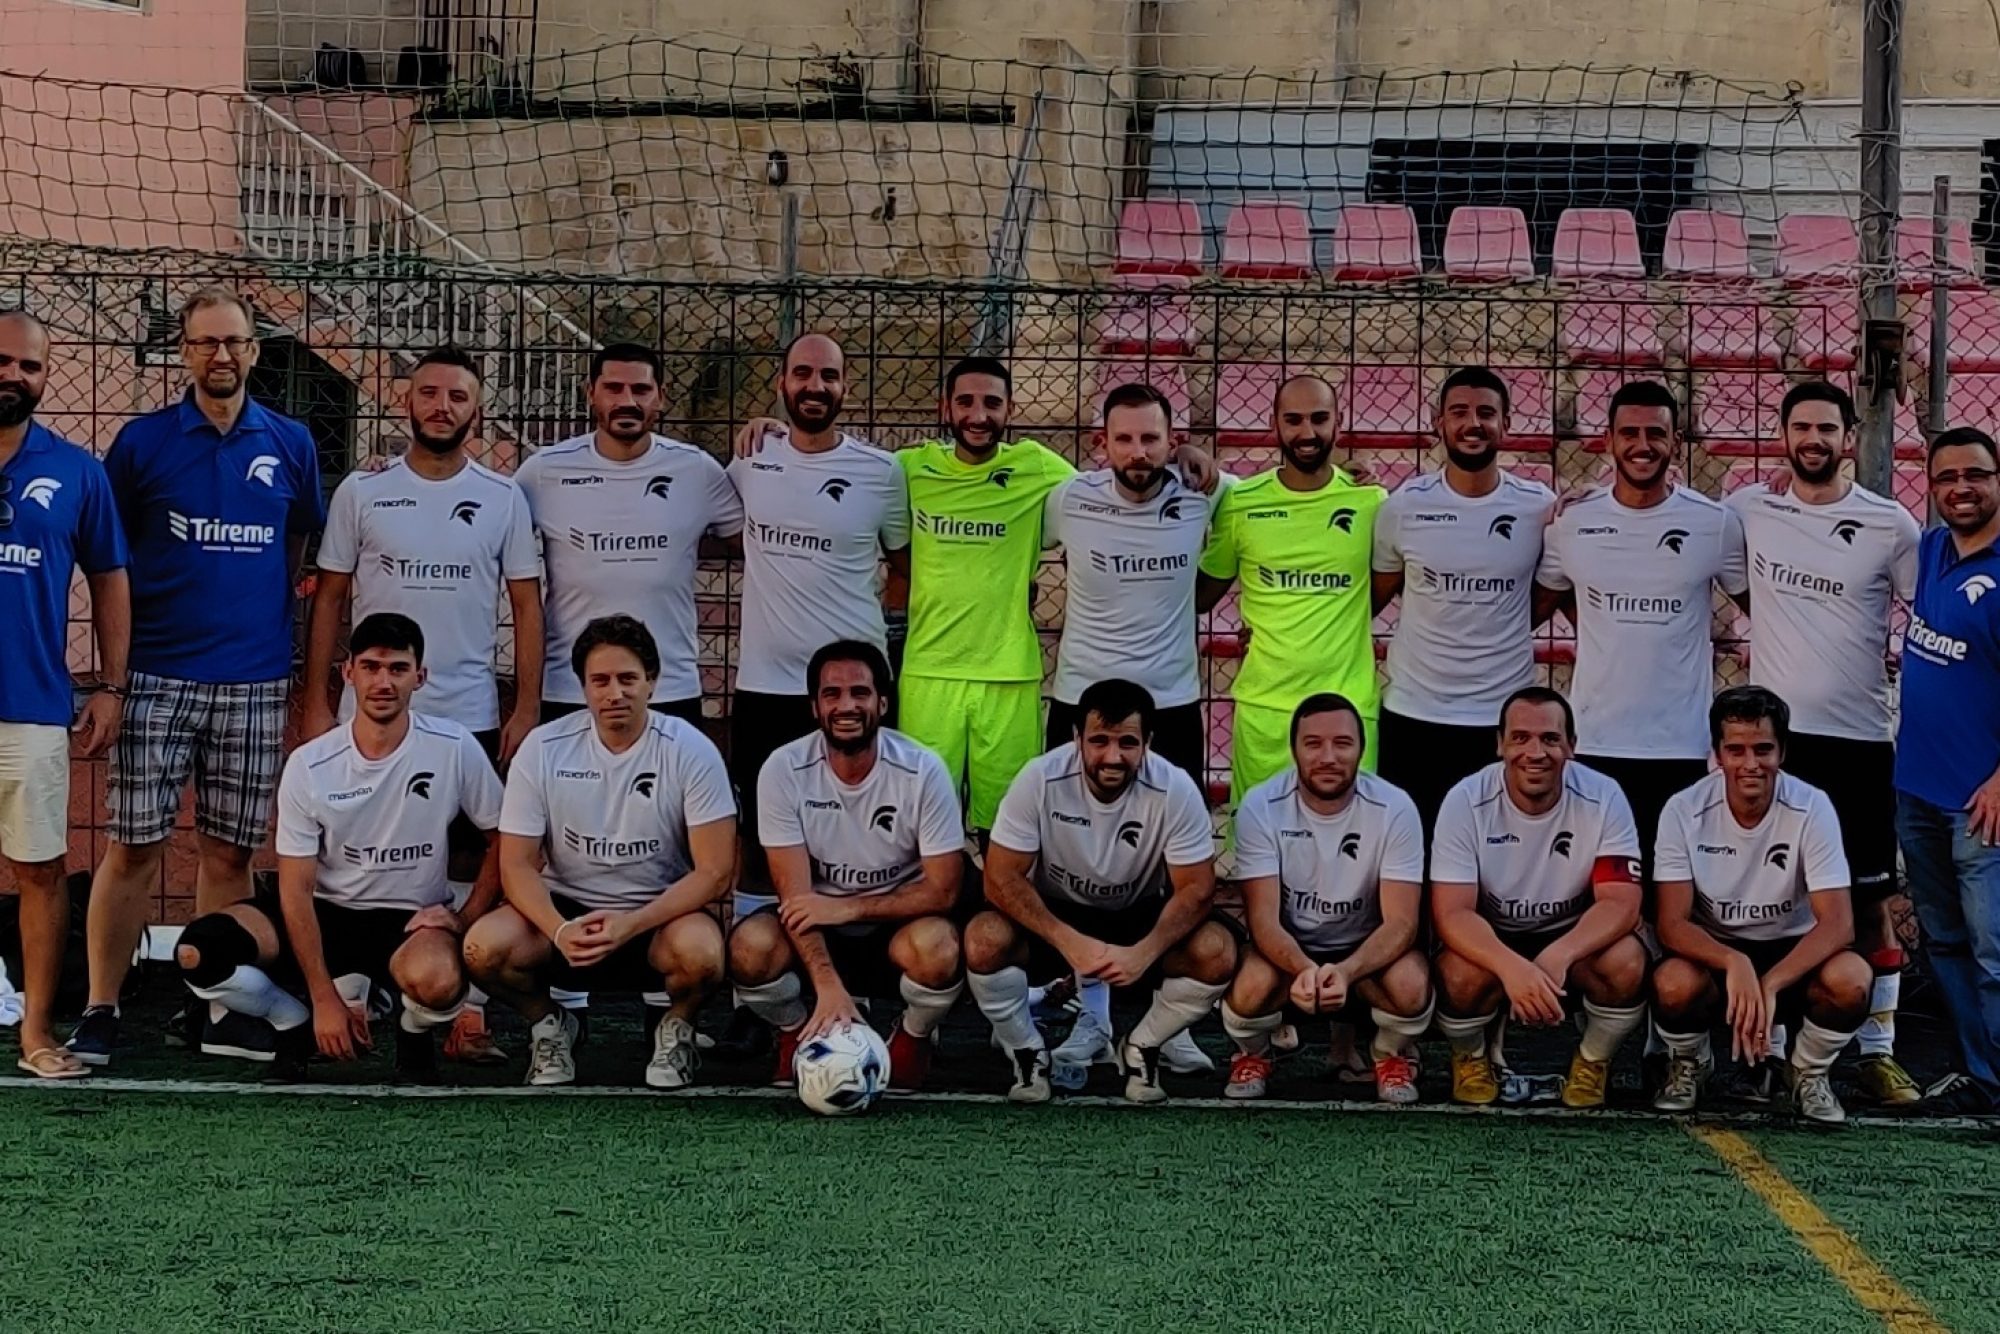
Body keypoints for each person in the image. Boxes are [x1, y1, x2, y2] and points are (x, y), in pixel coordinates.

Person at [738, 357, 1215, 835]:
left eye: (992, 403)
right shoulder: (907, 468)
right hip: (930, 674)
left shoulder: (1040, 469)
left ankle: (998, 909)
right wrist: (779, 432)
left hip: (1008, 677)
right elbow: (835, 466)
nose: (978, 415)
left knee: (1007, 828)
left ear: (1010, 409)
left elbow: (1118, 472)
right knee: (919, 821)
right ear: (946, 407)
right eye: (965, 402)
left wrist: (1182, 453)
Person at [70, 287, 326, 1066]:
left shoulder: (291, 443)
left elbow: (295, 547)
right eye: (205, 343)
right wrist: (112, 677)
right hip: (155, 676)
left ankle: (217, 1005)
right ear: (184, 352)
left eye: (235, 343)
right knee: (135, 847)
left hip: (253, 683)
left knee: (229, 855)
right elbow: (108, 558)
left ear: (255, 352)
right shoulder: (143, 444)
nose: (221, 356)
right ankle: (102, 1007)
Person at [302, 345, 543, 1065]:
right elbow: (332, 599)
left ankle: (466, 1007)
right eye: (429, 394)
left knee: (476, 849)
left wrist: (526, 704)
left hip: (466, 704)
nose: (442, 407)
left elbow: (527, 608)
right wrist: (319, 701)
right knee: (346, 845)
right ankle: (353, 985)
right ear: (406, 403)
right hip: (367, 709)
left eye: (458, 396)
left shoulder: (503, 497)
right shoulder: (362, 493)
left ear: (477, 409)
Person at [172, 613, 504, 1079]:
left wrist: (464, 920)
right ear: (348, 674)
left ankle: (413, 1026)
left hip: (409, 922)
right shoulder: (311, 764)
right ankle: (291, 1018)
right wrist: (323, 997)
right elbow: (295, 890)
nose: (383, 682)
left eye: (397, 669)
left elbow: (506, 839)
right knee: (198, 953)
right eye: (370, 667)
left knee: (441, 981)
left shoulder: (454, 747)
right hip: (327, 914)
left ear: (420, 677)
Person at [1724, 380, 1922, 1106]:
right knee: (1775, 894)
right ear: (1784, 434)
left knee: (1869, 901)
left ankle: (1876, 1051)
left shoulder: (1889, 523)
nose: (1812, 439)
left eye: (1826, 429)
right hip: (1780, 743)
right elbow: (1734, 583)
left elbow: (1922, 608)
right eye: (1800, 426)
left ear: (1848, 438)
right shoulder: (1749, 508)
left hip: (1860, 737)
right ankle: (1766, 1052)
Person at [464, 615, 737, 1088]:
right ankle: (551, 1025)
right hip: (566, 913)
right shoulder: (544, 747)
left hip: (656, 914)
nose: (615, 693)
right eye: (601, 681)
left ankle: (678, 1028)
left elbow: (715, 871)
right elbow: (515, 864)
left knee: (703, 953)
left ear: (651, 682)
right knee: (484, 947)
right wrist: (559, 928)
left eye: (628, 679)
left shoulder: (691, 749)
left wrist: (631, 923)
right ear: (583, 688)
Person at [966, 679, 1235, 1104]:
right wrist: (1067, 940)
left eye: (1128, 742)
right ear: (1076, 739)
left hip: (1139, 914)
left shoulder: (1175, 787)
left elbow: (1197, 889)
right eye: (1099, 741)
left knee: (1217, 950)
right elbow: (999, 879)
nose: (1113, 756)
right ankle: (1027, 1051)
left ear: (1148, 742)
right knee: (983, 939)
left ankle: (1142, 1045)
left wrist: (1144, 952)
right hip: (1055, 913)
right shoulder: (1039, 779)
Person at [727, 640, 965, 1091]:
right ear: (815, 707)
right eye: (832, 695)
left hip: (898, 924)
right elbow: (795, 897)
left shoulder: (923, 769)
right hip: (816, 929)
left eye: (860, 693)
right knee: (750, 948)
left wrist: (849, 907)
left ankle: (911, 1039)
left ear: (883, 702)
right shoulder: (783, 768)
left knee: (941, 949)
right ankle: (799, 1033)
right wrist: (827, 987)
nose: (846, 706)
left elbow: (943, 891)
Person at [1535, 379, 1747, 883]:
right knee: (1597, 897)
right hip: (1595, 741)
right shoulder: (1573, 522)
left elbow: (1762, 606)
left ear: (1675, 442)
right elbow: (1536, 604)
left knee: (1667, 894)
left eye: (1656, 433)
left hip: (1678, 746)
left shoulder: (1713, 523)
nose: (1642, 445)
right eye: (1628, 433)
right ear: (1607, 440)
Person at [724, 334, 910, 895]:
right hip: (765, 686)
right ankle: (761, 963)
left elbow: (903, 566)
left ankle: (858, 946)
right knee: (759, 834)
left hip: (849, 689)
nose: (815, 386)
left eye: (828, 376)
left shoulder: (881, 471)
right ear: (781, 384)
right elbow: (725, 531)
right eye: (802, 374)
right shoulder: (750, 459)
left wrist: (881, 635)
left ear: (845, 387)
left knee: (863, 828)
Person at [0, 311, 129, 1080]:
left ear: (46, 378)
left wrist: (111, 684)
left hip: (32, 708)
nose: (13, 375)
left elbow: (111, 578)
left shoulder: (78, 471)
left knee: (40, 869)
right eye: (2, 360)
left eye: (29, 366)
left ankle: (37, 1031)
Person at [1650, 686, 1871, 1124]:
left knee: (1852, 979)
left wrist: (1768, 984)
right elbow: (1671, 924)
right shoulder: (1683, 809)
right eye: (1736, 750)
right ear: (1717, 754)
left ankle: (1806, 1070)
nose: (1751, 764)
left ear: (1782, 751)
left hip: (1794, 955)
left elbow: (1839, 924)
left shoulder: (1812, 806)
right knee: (1672, 983)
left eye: (1763, 749)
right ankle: (1692, 1062)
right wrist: (1734, 963)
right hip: (1718, 954)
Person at [1430, 687, 1647, 1109]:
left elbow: (1621, 903)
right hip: (1494, 935)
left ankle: (1592, 1060)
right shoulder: (1465, 800)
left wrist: (1558, 956)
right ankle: (1471, 1056)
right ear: (1500, 745)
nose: (1536, 752)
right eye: (1521, 738)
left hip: (1573, 936)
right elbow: (1452, 913)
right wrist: (1512, 968)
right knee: (1458, 974)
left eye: (1550, 739)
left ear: (1571, 747)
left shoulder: (1605, 796)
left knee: (1626, 962)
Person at [515, 343, 741, 727]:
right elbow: (487, 529)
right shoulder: (542, 472)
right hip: (572, 689)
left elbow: (759, 545)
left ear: (661, 397)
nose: (627, 401)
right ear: (591, 393)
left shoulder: (697, 471)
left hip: (669, 689)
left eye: (640, 390)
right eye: (614, 388)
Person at [1220, 693, 1431, 1104]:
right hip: (1288, 950)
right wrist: (1303, 970)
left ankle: (1388, 1054)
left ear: (1361, 749)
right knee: (1249, 987)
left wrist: (1347, 972)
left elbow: (1402, 922)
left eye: (1342, 744)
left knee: (1411, 984)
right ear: (1294, 749)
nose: (1328, 757)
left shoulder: (1395, 807)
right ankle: (1253, 1054)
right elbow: (1262, 920)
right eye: (1313, 744)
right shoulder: (1261, 805)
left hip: (1367, 952)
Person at [1372, 366, 1555, 835]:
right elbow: (1372, 598)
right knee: (1415, 855)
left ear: (1506, 425)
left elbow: (1546, 595)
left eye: (1486, 413)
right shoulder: (1403, 506)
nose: (1473, 424)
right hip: (1415, 712)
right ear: (1438, 422)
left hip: (1500, 714)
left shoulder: (1539, 507)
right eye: (1459, 412)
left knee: (1494, 854)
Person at [1198, 374, 1387, 805]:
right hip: (1266, 710)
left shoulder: (1371, 502)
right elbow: (1201, 596)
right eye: (1294, 420)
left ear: (1338, 423)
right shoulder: (1242, 501)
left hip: (1348, 709)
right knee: (1260, 854)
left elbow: (1382, 590)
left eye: (1320, 418)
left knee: (1348, 855)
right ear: (1274, 424)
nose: (1307, 433)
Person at [1894, 425, 2000, 1114]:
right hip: (1917, 792)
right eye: (1945, 478)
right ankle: (1982, 1075)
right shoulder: (1930, 550)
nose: (1960, 488)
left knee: (1996, 954)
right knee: (1947, 942)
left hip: (1981, 800)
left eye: (1976, 475)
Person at [1044, 382, 1212, 785]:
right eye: (1124, 438)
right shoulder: (1068, 499)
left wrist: (1345, 475)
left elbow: (1280, 493)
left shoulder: (1203, 496)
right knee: (1067, 837)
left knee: (1177, 841)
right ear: (1103, 443)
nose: (1138, 452)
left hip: (1170, 703)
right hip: (1082, 700)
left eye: (1151, 438)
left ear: (1173, 442)